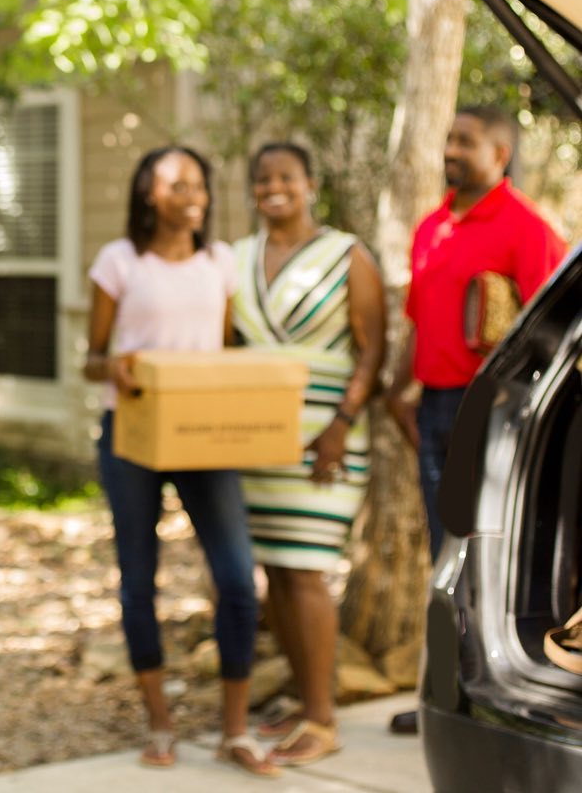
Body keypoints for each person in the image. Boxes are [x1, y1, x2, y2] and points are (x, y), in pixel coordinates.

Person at [84, 146, 278, 778]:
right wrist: (114, 366)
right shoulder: (119, 261)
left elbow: (221, 349)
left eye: (200, 181)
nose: (193, 192)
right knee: (140, 581)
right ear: (149, 192)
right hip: (132, 435)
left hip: (202, 436)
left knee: (238, 581)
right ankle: (160, 723)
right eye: (178, 183)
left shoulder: (220, 262)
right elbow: (92, 357)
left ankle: (235, 730)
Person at [385, 104, 566, 736]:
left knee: (482, 556)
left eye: (466, 141)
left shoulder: (526, 228)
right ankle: (444, 694)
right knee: (442, 552)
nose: (452, 150)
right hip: (433, 406)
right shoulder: (434, 224)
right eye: (449, 139)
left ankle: (483, 696)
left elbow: (557, 336)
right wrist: (397, 392)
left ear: (499, 153)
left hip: (489, 413)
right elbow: (417, 317)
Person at [228, 142, 386, 767]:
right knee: (275, 575)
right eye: (262, 178)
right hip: (257, 439)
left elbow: (373, 350)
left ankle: (325, 719)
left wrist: (341, 424)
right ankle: (305, 698)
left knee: (306, 569)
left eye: (286, 177)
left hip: (326, 437)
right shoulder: (237, 258)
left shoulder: (348, 255)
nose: (274, 188)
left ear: (310, 184)